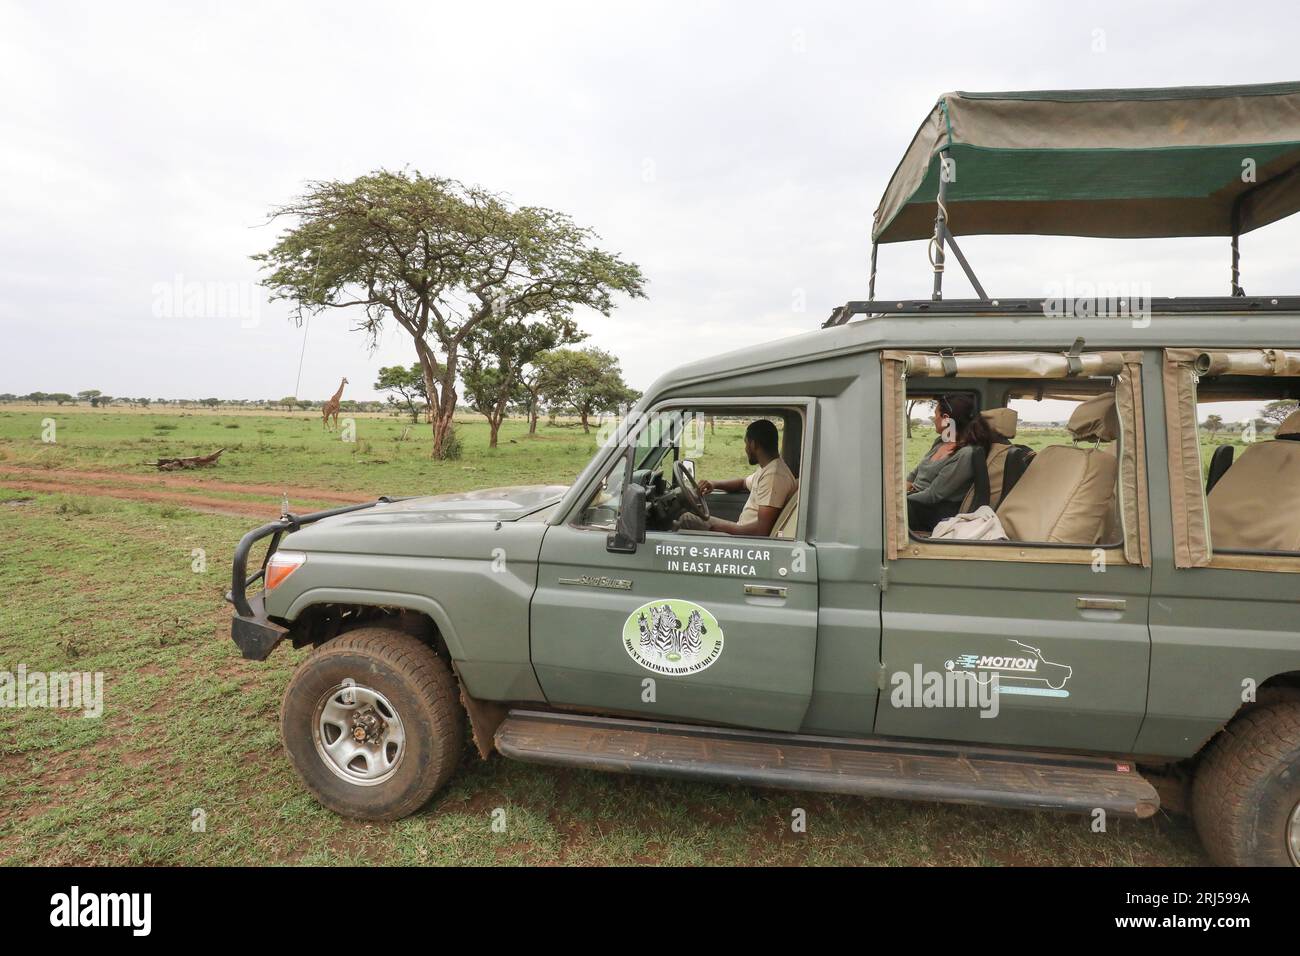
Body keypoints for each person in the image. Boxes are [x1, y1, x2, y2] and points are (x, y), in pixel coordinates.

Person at [676, 419, 797, 536]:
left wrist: (719, 528)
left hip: (745, 540)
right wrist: (714, 484)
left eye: (746, 443)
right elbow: (743, 483)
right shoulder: (769, 468)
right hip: (741, 530)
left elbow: (761, 531)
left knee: (686, 519)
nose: (745, 449)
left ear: (753, 444)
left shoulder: (773, 477)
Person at [907, 394, 993, 533]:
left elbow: (933, 495)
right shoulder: (940, 442)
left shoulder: (966, 454)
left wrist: (899, 501)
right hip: (915, 501)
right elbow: (914, 474)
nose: (934, 419)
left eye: (936, 414)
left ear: (946, 419)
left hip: (934, 511)